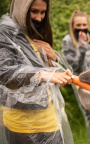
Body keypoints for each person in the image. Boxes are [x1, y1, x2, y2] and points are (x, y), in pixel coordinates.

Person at [0, 0, 74, 143]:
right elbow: (5, 73)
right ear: (22, 7)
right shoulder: (5, 33)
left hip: (49, 118)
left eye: (43, 12)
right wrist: (41, 75)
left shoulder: (37, 31)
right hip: (22, 124)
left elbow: (52, 76)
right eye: (34, 11)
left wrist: (53, 59)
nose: (39, 18)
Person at [61, 11, 90, 144]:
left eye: (84, 24)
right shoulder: (68, 41)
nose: (81, 28)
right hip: (80, 82)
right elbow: (74, 67)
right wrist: (82, 47)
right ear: (73, 26)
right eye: (78, 25)